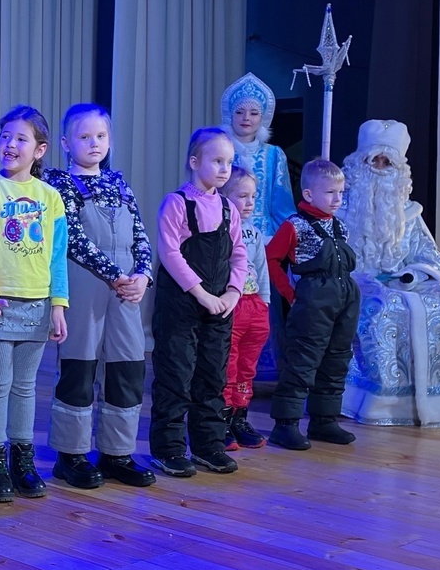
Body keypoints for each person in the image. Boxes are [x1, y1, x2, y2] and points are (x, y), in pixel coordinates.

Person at [41, 103, 156, 490]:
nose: (94, 143)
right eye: (85, 136)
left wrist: (143, 275)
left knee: (127, 368)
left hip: (125, 292)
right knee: (79, 367)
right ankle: (70, 454)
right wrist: (114, 274)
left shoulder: (120, 184)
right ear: (65, 143)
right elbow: (72, 238)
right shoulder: (60, 186)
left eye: (101, 136)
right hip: (85, 284)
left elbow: (140, 233)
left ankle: (117, 453)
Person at [337, 120, 440, 427]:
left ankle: (434, 401)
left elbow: (431, 259)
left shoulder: (409, 213)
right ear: (360, 163)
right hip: (354, 281)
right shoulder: (340, 208)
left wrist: (412, 275)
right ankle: (376, 402)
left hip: (399, 281)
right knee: (383, 309)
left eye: (387, 162)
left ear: (398, 168)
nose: (379, 167)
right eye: (373, 160)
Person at [0, 105, 69, 503]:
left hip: (37, 303)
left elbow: (57, 256)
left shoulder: (51, 198)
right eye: (5, 137)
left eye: (20, 139)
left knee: (25, 387)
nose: (10, 144)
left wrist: (58, 304)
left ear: (39, 150)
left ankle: (22, 460)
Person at [149, 127, 247, 478]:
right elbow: (170, 253)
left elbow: (239, 254)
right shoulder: (177, 203)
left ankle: (208, 445)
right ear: (194, 162)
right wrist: (201, 293)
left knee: (212, 376)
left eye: (229, 162)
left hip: (219, 307)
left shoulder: (228, 208)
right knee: (176, 374)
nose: (224, 169)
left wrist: (233, 293)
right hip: (182, 305)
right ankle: (169, 449)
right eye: (217, 161)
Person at [265, 158, 360, 450]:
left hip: (344, 298)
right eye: (330, 192)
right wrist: (290, 293)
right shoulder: (294, 226)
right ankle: (285, 425)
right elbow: (271, 259)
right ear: (309, 194)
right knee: (303, 359)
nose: (337, 199)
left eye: (341, 192)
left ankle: (324, 420)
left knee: (337, 358)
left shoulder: (339, 226)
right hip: (313, 300)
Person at [219, 167, 271, 450]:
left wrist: (264, 302)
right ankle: (222, 420)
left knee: (247, 368)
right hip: (232, 305)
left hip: (254, 305)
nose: (250, 202)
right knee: (228, 365)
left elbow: (261, 269)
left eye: (253, 196)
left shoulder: (254, 232)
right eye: (242, 196)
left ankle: (240, 418)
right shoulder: (218, 228)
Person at [221, 73, 296, 238]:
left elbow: (282, 204)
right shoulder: (220, 151)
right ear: (230, 115)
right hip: (224, 231)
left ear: (262, 117)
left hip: (264, 237)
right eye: (239, 112)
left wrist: (284, 240)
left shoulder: (274, 154)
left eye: (254, 113)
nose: (246, 118)